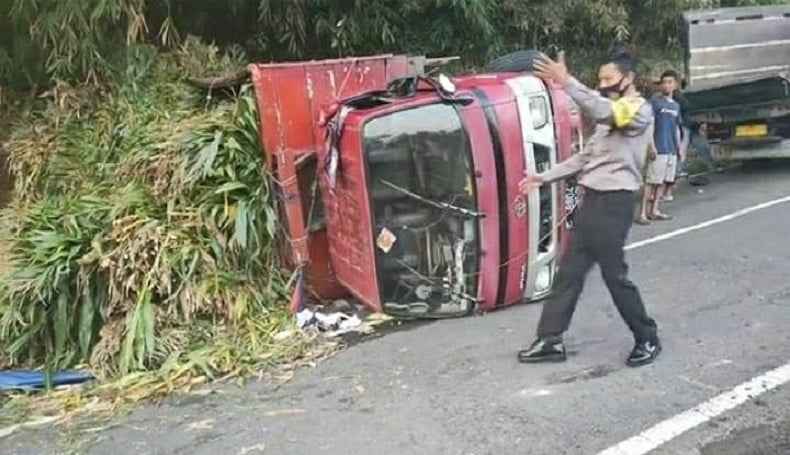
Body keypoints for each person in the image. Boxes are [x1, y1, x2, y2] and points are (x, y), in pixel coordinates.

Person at [517, 48, 660, 368]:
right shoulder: (609, 115)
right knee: (568, 273)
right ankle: (550, 339)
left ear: (629, 78)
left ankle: (647, 336)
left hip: (616, 202)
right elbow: (585, 158)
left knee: (614, 275)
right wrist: (543, 177)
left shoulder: (637, 110)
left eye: (608, 78)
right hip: (592, 201)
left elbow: (603, 110)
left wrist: (567, 81)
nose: (603, 83)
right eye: (600, 79)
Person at [637, 70, 683, 224]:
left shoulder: (676, 105)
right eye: (664, 82)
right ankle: (642, 213)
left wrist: (679, 148)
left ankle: (655, 210)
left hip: (671, 149)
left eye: (670, 82)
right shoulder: (655, 102)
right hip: (659, 147)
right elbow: (650, 124)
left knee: (663, 182)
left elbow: (676, 128)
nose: (667, 85)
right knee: (652, 181)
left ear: (675, 84)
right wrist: (651, 145)